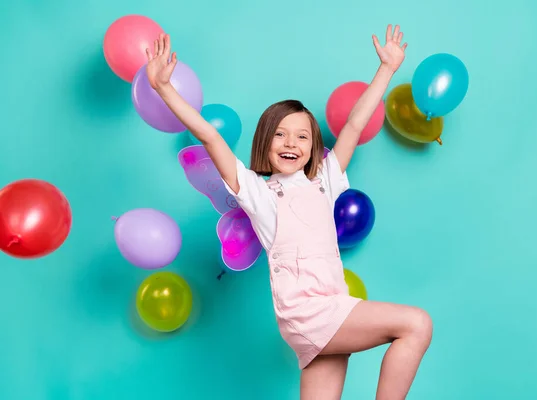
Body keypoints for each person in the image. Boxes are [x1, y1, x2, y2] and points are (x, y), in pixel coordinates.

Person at [145, 24, 432, 400]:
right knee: (416, 324)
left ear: (314, 148)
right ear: (264, 143)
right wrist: (165, 88)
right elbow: (212, 137)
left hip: (331, 307)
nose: (291, 143)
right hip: (310, 314)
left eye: (302, 136)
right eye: (280, 134)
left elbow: (355, 124)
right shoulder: (258, 193)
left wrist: (386, 70)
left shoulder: (326, 180)